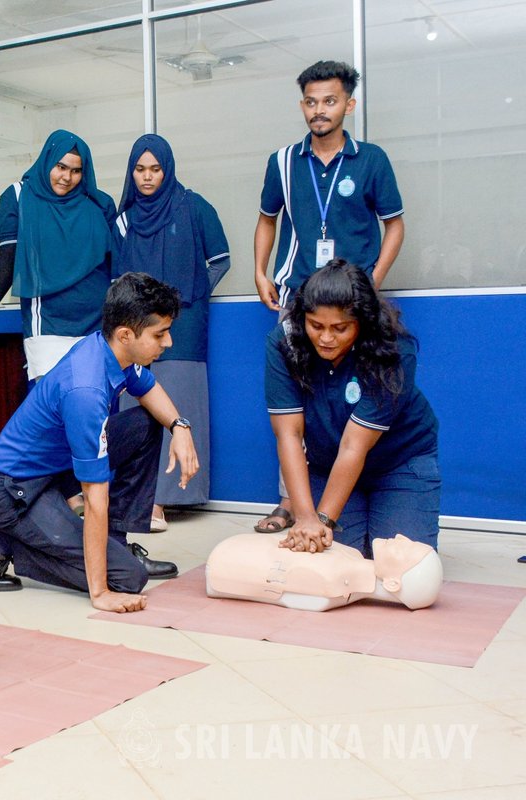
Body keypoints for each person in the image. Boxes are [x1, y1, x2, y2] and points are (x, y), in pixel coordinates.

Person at [0, 273, 199, 611]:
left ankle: (116, 543)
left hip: (52, 472)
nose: (168, 343)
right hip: (12, 493)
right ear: (125, 334)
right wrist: (101, 593)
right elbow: (94, 499)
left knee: (148, 423)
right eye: (160, 334)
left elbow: (147, 388)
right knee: (128, 579)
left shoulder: (108, 350)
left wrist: (180, 427)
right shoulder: (86, 391)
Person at [253, 59, 405, 534]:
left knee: (355, 394)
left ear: (348, 104)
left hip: (353, 302)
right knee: (291, 397)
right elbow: (266, 220)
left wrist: (374, 279)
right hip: (297, 296)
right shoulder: (282, 161)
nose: (320, 110)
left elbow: (395, 225)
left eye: (330, 101)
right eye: (312, 102)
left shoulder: (371, 160)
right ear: (303, 106)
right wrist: (260, 271)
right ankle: (287, 503)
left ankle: (350, 495)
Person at [264, 260, 440, 559]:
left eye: (340, 328)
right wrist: (306, 518)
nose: (326, 338)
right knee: (326, 561)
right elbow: (289, 435)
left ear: (362, 322)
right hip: (327, 466)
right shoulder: (285, 342)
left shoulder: (393, 348)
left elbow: (353, 445)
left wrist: (322, 520)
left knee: (400, 568)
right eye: (316, 326)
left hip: (399, 464)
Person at [112, 134, 230, 531]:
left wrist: (187, 300)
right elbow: (116, 278)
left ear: (167, 170)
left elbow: (220, 260)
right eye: (140, 169)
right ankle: (138, 499)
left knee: (178, 403)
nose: (147, 178)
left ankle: (167, 498)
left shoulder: (194, 207)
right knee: (135, 408)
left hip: (184, 326)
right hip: (134, 329)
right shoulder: (123, 218)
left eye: (155, 169)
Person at [0, 129, 116, 381]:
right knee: (53, 402)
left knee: (95, 403)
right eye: (61, 167)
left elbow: (115, 267)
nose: (67, 177)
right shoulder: (18, 197)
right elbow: (9, 255)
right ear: (48, 160)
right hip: (48, 321)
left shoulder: (99, 203)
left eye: (76, 171)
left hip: (98, 321)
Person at [206, 533, 443, 612]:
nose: (401, 538)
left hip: (225, 559)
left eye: (405, 549)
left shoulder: (330, 586)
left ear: (393, 584)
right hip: (230, 553)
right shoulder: (351, 556)